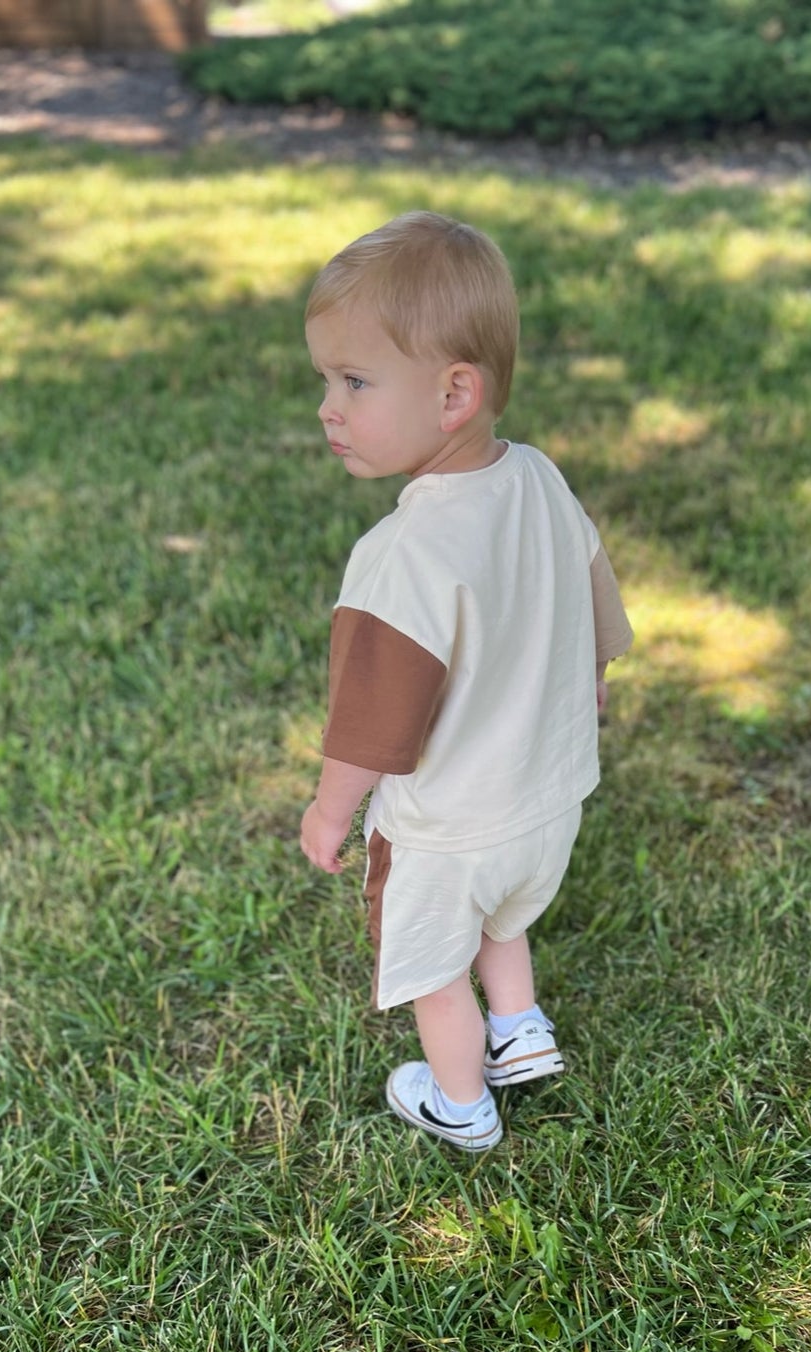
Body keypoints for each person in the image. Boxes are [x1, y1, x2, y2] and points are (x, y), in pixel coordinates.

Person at [298, 210, 632, 1152]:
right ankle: (520, 1030)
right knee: (501, 917)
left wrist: (331, 813)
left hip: (448, 832)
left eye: (354, 381)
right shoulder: (537, 480)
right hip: (547, 801)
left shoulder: (400, 553)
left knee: (434, 962)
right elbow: (592, 592)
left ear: (454, 394)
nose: (328, 406)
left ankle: (460, 1101)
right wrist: (593, 680)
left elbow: (372, 720)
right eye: (327, 379)